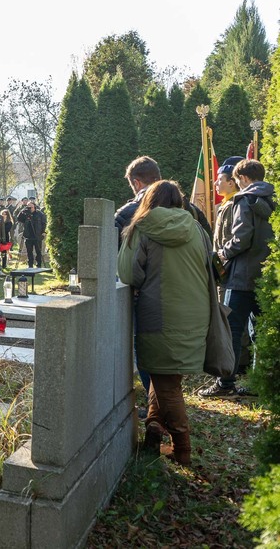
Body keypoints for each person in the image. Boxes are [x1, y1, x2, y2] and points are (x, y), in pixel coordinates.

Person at [118, 180, 210, 466]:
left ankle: (183, 450)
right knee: (166, 377)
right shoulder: (195, 227)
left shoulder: (142, 227)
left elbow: (128, 272)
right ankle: (154, 430)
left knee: (167, 385)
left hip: (159, 314)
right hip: (196, 312)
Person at [201, 158, 276, 398]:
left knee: (231, 329)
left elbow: (241, 237)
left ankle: (225, 383)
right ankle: (258, 383)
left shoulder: (243, 200)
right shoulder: (273, 200)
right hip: (266, 277)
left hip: (241, 275)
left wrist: (223, 253)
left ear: (242, 179)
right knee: (260, 331)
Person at [17, 201, 46, 268]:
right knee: (29, 251)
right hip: (28, 236)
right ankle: (30, 265)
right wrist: (22, 210)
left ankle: (38, 264)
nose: (30, 209)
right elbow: (19, 219)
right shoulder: (25, 214)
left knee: (38, 251)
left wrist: (43, 232)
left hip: (37, 235)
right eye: (28, 207)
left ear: (34, 207)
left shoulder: (40, 214)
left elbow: (44, 223)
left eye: (31, 207)